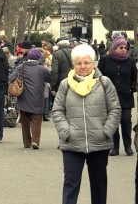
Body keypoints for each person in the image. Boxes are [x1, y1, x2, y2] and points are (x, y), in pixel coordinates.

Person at [52, 44, 121, 204]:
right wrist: (66, 132)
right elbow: (57, 111)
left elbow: (115, 109)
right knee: (70, 185)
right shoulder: (65, 84)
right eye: (78, 63)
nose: (83, 66)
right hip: (72, 144)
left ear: (93, 63)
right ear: (73, 64)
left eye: (86, 62)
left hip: (99, 143)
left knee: (99, 185)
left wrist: (106, 132)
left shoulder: (104, 83)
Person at [98, 36, 137, 156]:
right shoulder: (105, 59)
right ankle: (114, 146)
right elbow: (99, 76)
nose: (124, 49)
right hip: (109, 97)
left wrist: (131, 88)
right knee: (113, 122)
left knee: (126, 121)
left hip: (126, 97)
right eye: (121, 47)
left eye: (125, 47)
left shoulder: (130, 61)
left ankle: (127, 146)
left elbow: (134, 78)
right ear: (114, 48)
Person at [9, 49, 50, 149]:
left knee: (25, 122)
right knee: (36, 120)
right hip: (37, 97)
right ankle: (35, 141)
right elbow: (50, 79)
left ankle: (27, 143)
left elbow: (10, 78)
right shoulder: (42, 69)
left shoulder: (21, 67)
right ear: (38, 58)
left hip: (23, 98)